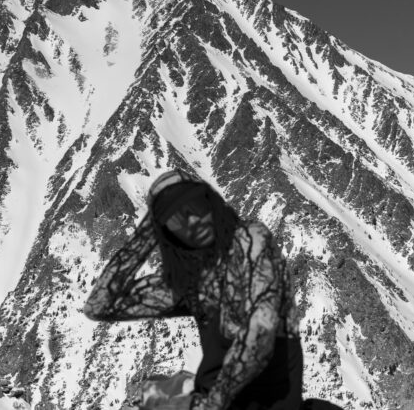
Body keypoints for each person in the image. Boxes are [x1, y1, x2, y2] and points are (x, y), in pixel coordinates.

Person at [83, 169, 304, 410]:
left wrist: (211, 403)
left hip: (264, 404)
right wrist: (149, 232)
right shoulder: (194, 281)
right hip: (214, 400)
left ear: (211, 202)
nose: (192, 222)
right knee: (147, 395)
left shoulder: (250, 239)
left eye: (196, 207)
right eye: (176, 221)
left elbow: (259, 334)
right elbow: (99, 306)